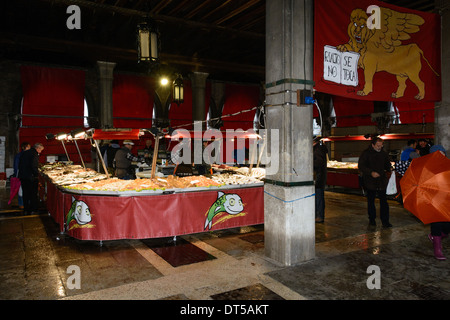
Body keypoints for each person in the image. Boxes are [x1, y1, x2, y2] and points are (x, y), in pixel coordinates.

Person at [358, 137, 393, 228]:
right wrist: (370, 172)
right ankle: (372, 219)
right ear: (373, 145)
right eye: (378, 145)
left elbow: (387, 164)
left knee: (384, 202)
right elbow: (361, 165)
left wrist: (390, 168)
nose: (380, 147)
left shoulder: (383, 154)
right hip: (370, 182)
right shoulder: (366, 153)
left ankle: (385, 221)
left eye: (381, 146)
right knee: (371, 201)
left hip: (381, 181)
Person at [427, 144, 449, 260]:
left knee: (447, 225)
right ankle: (437, 248)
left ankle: (439, 235)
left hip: (447, 200)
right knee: (436, 223)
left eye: (443, 153)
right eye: (438, 154)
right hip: (434, 200)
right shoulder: (428, 169)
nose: (441, 155)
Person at [18, 142, 44, 215]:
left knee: (25, 194)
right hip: (30, 177)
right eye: (40, 150)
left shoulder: (25, 152)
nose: (40, 152)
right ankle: (34, 209)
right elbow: (33, 166)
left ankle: (26, 209)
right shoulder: (34, 154)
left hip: (23, 176)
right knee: (33, 194)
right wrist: (37, 175)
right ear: (38, 148)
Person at [313, 136, 328, 223]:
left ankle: (319, 216)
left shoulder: (318, 150)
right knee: (318, 197)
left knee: (318, 198)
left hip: (318, 178)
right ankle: (318, 215)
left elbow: (318, 163)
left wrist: (308, 162)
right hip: (318, 177)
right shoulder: (318, 149)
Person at [13, 142, 31, 208]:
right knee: (22, 189)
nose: (30, 148)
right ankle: (22, 203)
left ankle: (22, 203)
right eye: (29, 147)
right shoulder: (22, 155)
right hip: (22, 174)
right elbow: (16, 166)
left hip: (21, 174)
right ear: (25, 147)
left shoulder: (19, 155)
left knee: (22, 189)